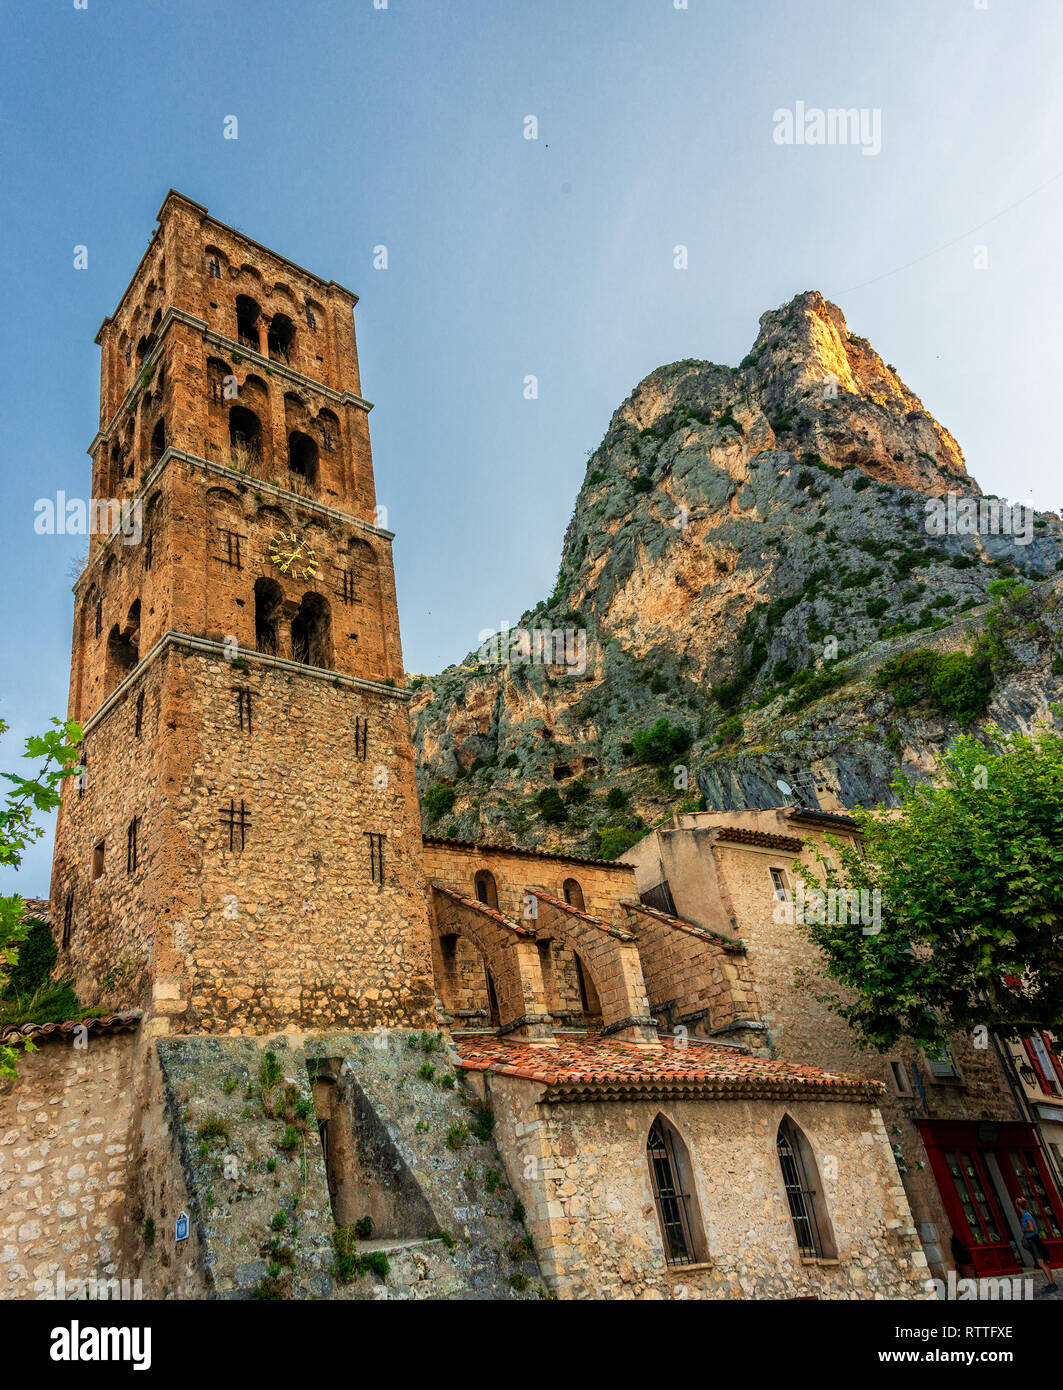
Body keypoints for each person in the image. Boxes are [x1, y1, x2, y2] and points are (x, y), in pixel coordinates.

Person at [1016, 1196, 1059, 1293]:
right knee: (1042, 1262)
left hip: (1034, 1241)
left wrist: (1024, 1230)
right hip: (1033, 1240)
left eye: (1016, 1205)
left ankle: (1052, 1284)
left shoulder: (1026, 1215)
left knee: (1041, 1263)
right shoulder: (1025, 1215)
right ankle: (1051, 1283)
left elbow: (1032, 1229)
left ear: (1019, 1206)